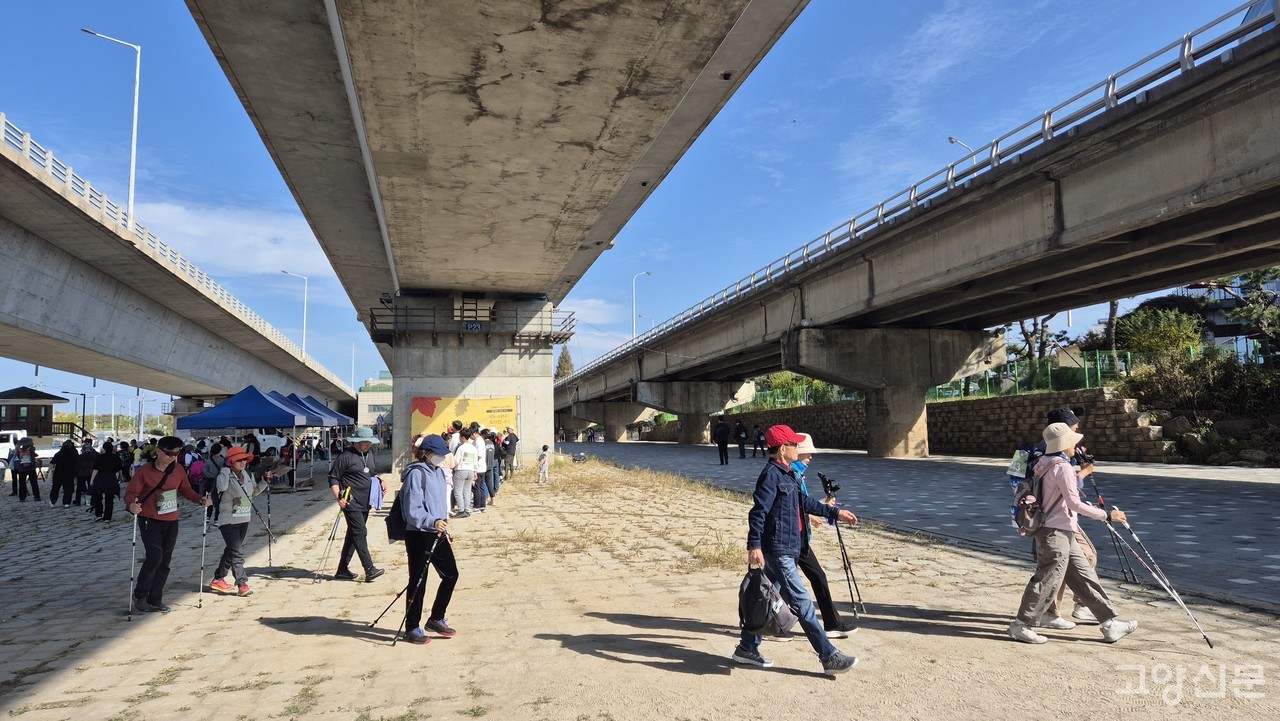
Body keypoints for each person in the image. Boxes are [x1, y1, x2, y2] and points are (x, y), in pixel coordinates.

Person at [733, 425, 860, 676]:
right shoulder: (771, 475)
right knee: (803, 603)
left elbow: (806, 503)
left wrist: (836, 513)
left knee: (767, 598)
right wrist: (754, 545)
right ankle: (829, 656)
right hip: (778, 549)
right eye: (793, 444)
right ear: (783, 449)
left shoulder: (789, 474)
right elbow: (758, 513)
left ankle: (746, 647)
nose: (797, 448)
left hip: (790, 546)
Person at [1007, 423, 1138, 645]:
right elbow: (1074, 503)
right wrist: (1106, 515)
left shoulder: (1043, 463)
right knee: (1046, 579)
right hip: (1056, 533)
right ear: (1066, 443)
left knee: (1084, 575)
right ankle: (1021, 625)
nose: (1076, 445)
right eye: (1073, 441)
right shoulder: (1063, 467)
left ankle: (1109, 623)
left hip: (1058, 530)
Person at [125, 435, 212, 613]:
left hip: (171, 519)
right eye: (169, 453)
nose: (172, 457)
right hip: (150, 518)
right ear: (158, 451)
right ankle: (140, 595)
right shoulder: (144, 471)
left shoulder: (178, 469)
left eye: (176, 454)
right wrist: (131, 505)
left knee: (165, 561)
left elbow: (186, 489)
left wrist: (199, 499)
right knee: (154, 556)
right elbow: (131, 492)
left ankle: (155, 599)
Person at [792, 433, 859, 638]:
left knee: (815, 577)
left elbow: (800, 503)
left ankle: (831, 622)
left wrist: (814, 511)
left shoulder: (797, 474)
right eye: (807, 452)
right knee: (776, 585)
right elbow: (791, 505)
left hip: (800, 537)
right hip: (790, 539)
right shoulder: (789, 474)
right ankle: (761, 625)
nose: (811, 456)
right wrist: (830, 512)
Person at [400, 434, 460, 644]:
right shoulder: (415, 474)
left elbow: (439, 505)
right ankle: (412, 627)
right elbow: (412, 510)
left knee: (451, 575)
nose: (441, 458)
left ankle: (436, 618)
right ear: (426, 453)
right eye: (438, 454)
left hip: (437, 532)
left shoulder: (438, 472)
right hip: (418, 533)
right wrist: (432, 521)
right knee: (418, 582)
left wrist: (443, 528)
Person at [328, 427, 386, 582]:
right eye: (366, 442)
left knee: (353, 535)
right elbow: (333, 478)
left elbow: (371, 473)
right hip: (350, 502)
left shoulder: (370, 454)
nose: (368, 444)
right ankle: (369, 569)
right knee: (360, 533)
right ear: (357, 441)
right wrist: (338, 498)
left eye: (370, 442)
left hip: (366, 502)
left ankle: (342, 570)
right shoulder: (345, 457)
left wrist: (380, 481)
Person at [209, 447, 268, 597]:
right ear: (231, 461)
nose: (243, 462)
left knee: (231, 550)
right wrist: (225, 470)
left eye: (244, 459)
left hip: (243, 517)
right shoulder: (225, 475)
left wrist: (265, 481)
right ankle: (242, 583)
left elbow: (254, 492)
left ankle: (218, 579)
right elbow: (221, 487)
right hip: (228, 519)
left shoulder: (247, 474)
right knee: (237, 552)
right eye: (239, 460)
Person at [89, 441, 124, 522]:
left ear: (104, 449)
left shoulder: (100, 457)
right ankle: (107, 517)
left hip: (100, 478)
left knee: (98, 497)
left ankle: (99, 514)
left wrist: (92, 479)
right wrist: (121, 477)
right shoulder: (116, 457)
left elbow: (95, 469)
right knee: (109, 498)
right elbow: (119, 469)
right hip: (111, 478)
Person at [451, 428, 478, 517]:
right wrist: (475, 471)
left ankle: (461, 510)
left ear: (462, 438)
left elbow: (456, 460)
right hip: (470, 470)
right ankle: (467, 509)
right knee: (467, 491)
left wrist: (451, 467)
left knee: (458, 491)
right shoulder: (473, 447)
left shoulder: (461, 448)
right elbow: (475, 460)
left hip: (461, 470)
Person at [48, 440, 78, 508]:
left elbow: (52, 462)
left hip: (58, 473)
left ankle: (53, 500)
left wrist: (48, 471)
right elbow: (77, 463)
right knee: (68, 488)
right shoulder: (74, 453)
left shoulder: (58, 453)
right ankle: (66, 502)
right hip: (69, 473)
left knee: (55, 488)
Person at [74, 440, 99, 507]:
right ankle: (88, 501)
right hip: (90, 472)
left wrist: (76, 473)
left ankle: (78, 501)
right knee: (90, 488)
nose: (86, 446)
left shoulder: (81, 456)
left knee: (80, 488)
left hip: (82, 473)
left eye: (87, 444)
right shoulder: (96, 454)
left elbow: (77, 465)